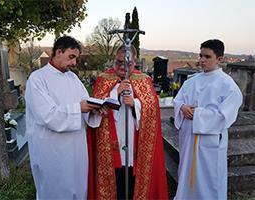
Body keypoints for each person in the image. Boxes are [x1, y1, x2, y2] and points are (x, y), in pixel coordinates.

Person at [25, 36, 103, 199]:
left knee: (77, 188)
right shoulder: (37, 79)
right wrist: (78, 108)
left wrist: (93, 110)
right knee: (55, 190)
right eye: (71, 57)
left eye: (76, 58)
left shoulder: (73, 78)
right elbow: (47, 115)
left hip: (76, 149)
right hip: (51, 150)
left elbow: (84, 104)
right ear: (58, 52)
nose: (74, 63)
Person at [87, 45, 169, 199]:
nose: (123, 68)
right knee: (115, 179)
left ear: (134, 62)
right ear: (114, 60)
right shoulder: (103, 79)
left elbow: (152, 108)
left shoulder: (144, 80)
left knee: (132, 181)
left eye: (128, 64)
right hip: (112, 137)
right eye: (119, 63)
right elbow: (95, 106)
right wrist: (114, 93)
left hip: (134, 138)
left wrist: (135, 104)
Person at [173, 39, 243, 200]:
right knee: (186, 178)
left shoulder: (228, 86)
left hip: (209, 142)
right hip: (189, 139)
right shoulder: (192, 81)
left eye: (207, 56)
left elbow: (225, 116)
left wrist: (197, 114)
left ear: (219, 59)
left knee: (210, 181)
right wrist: (182, 107)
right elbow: (178, 101)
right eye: (200, 55)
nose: (202, 60)